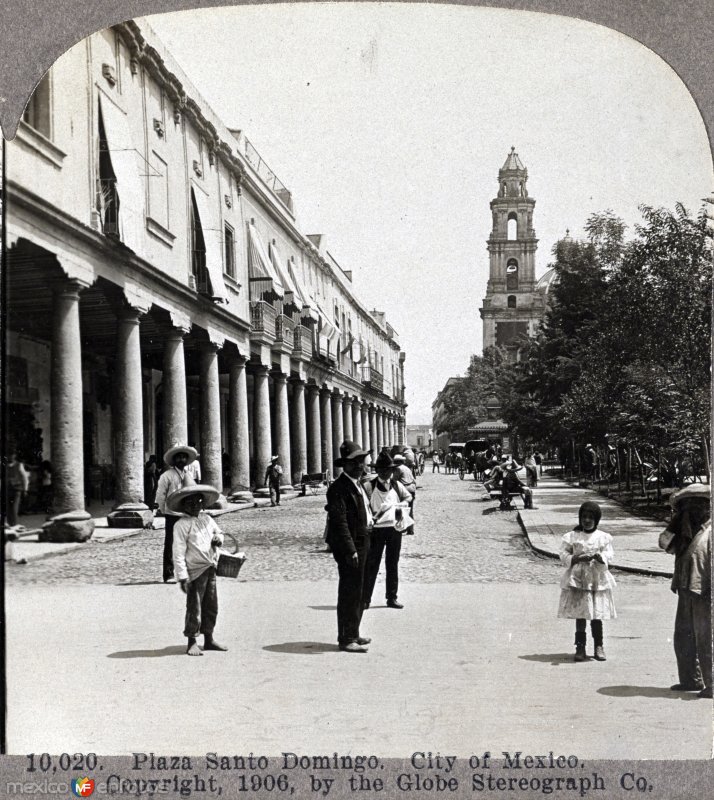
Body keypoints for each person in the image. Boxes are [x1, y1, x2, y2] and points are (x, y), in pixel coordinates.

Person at [658, 484, 711, 698]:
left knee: (706, 638)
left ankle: (712, 683)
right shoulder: (685, 531)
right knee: (683, 636)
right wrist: (676, 524)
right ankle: (690, 679)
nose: (694, 509)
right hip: (685, 588)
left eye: (699, 504)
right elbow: (663, 543)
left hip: (706, 592)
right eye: (688, 506)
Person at [168, 479, 227, 657]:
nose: (195, 505)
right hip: (194, 571)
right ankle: (192, 640)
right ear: (183, 505)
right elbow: (178, 553)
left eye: (198, 501)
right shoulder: (181, 525)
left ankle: (208, 638)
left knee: (211, 605)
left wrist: (219, 539)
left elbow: (219, 533)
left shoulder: (207, 519)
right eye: (190, 502)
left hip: (210, 567)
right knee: (195, 607)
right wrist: (182, 576)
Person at [325, 440, 373, 653]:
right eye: (355, 462)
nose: (360, 466)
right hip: (351, 546)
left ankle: (354, 631)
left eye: (361, 461)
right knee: (349, 592)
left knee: (359, 591)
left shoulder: (358, 484)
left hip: (363, 541)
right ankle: (346, 638)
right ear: (345, 465)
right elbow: (340, 522)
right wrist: (350, 549)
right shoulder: (338, 488)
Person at [558, 501, 616, 662]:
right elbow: (563, 553)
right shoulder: (573, 536)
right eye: (584, 517)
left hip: (596, 577)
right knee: (581, 613)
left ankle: (599, 646)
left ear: (596, 519)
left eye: (591, 517)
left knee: (596, 614)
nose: (587, 520)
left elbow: (609, 554)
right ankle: (580, 646)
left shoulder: (602, 537)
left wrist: (601, 557)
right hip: (578, 578)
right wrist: (575, 558)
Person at [362, 451, 412, 610]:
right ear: (377, 471)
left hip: (394, 530)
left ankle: (392, 597)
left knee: (393, 564)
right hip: (376, 531)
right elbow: (363, 506)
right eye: (382, 470)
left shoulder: (397, 486)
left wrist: (401, 507)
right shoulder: (369, 487)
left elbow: (408, 497)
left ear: (392, 471)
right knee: (371, 564)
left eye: (388, 470)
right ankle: (365, 599)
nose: (385, 473)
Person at [155, 444, 199, 583]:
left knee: (188, 543)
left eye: (183, 457)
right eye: (178, 457)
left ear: (186, 460)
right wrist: (164, 510)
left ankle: (186, 572)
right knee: (171, 543)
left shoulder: (188, 475)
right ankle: (168, 574)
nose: (181, 459)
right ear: (174, 460)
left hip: (185, 514)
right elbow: (161, 495)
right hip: (172, 514)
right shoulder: (167, 476)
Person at [392, 453, 416, 535]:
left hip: (405, 489)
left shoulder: (398, 469)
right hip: (412, 488)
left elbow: (394, 480)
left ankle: (402, 528)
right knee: (410, 510)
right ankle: (411, 529)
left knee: (402, 509)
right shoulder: (407, 468)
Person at [6, 450, 29, 527]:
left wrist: (25, 489)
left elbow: (25, 477)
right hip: (7, 489)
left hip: (17, 489)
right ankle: (10, 525)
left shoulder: (19, 465)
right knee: (8, 508)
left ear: (15, 455)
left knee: (14, 508)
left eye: (12, 455)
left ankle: (14, 525)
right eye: (9, 455)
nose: (10, 457)